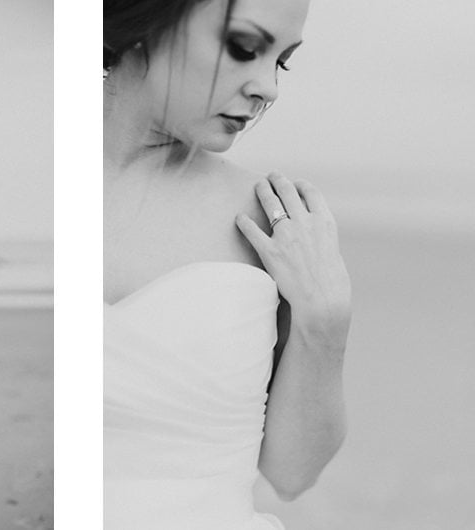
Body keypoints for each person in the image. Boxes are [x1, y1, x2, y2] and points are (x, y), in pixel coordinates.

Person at [103, 0, 351, 528]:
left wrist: (325, 321)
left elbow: (291, 474)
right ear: (146, 20)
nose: (269, 88)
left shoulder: (268, 221)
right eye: (244, 48)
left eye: (281, 61)